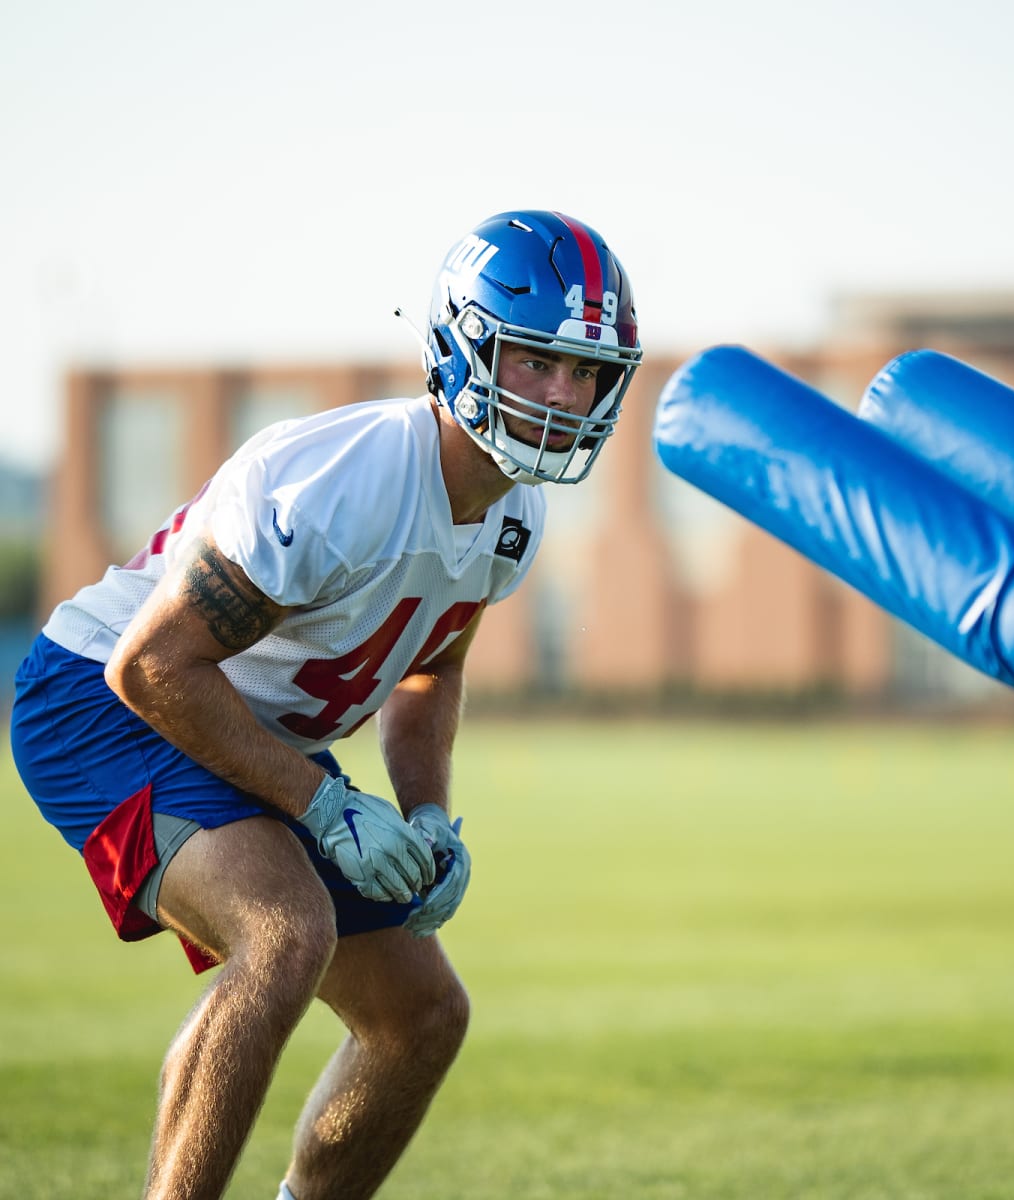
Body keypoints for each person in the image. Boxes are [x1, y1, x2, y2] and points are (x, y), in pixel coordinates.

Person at [10, 209, 641, 1200]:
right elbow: (151, 668)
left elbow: (432, 668)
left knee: (420, 1018)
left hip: (238, 726)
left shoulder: (513, 515)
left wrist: (425, 810)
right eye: (536, 363)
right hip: (101, 702)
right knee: (284, 930)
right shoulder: (346, 482)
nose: (565, 396)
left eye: (585, 372)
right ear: (465, 348)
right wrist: (324, 805)